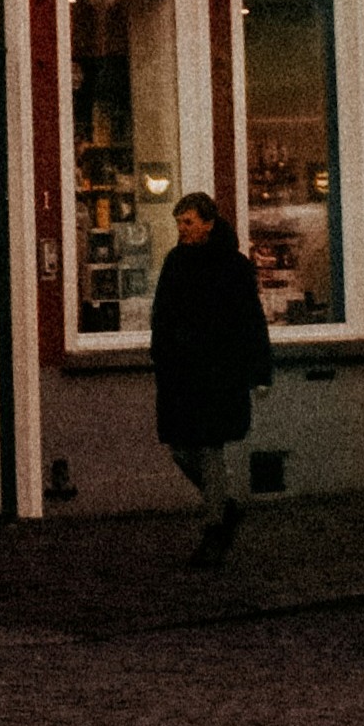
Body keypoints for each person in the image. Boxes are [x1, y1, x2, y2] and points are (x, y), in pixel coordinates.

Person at [150, 191, 269, 566]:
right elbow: (161, 314)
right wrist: (162, 354)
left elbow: (252, 320)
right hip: (181, 373)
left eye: (188, 223)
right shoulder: (175, 262)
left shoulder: (233, 267)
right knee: (180, 448)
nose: (182, 230)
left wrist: (259, 371)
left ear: (208, 223)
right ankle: (225, 506)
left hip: (220, 372)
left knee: (209, 446)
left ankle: (214, 528)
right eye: (179, 223)